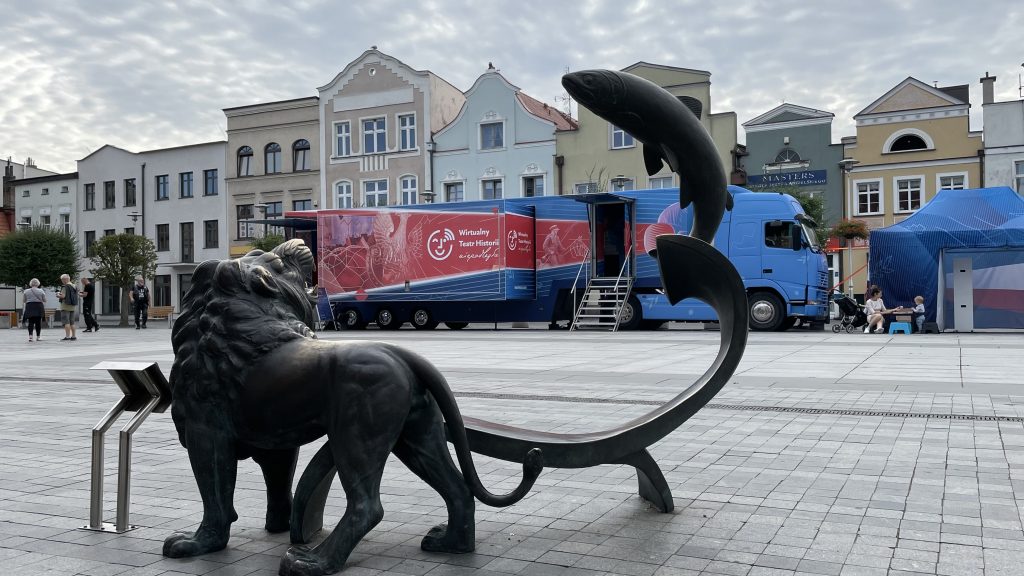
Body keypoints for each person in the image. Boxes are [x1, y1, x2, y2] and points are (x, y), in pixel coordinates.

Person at [57, 273, 78, 341]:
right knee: (72, 322)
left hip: (65, 306)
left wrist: (58, 295)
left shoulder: (65, 286)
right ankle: (74, 336)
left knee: (66, 322)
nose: (62, 281)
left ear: (64, 279)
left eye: (62, 280)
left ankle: (67, 336)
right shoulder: (74, 286)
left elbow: (63, 296)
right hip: (72, 306)